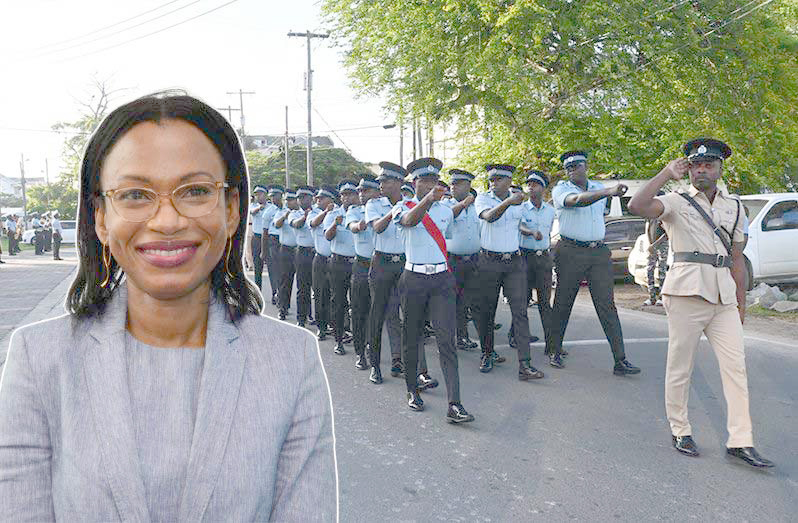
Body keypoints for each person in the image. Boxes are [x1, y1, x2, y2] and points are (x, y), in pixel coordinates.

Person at [0, 92, 337, 520]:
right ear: (101, 217)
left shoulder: (291, 359)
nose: (167, 221)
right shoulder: (39, 359)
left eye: (195, 190)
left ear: (232, 209)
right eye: (135, 194)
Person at [628, 138, 774, 468]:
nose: (701, 170)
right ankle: (680, 429)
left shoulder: (735, 207)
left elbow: (737, 259)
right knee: (681, 366)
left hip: (723, 299)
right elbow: (637, 205)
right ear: (689, 170)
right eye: (695, 165)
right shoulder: (676, 201)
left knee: (736, 369)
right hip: (685, 295)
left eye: (708, 164)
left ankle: (740, 440)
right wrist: (666, 173)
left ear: (720, 169)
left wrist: (741, 304)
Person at [393, 157, 473, 423]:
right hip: (414, 278)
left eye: (434, 181)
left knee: (446, 340)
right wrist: (427, 200)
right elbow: (409, 221)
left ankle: (455, 403)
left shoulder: (446, 211)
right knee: (412, 336)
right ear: (414, 183)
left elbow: (446, 235)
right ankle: (412, 390)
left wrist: (436, 202)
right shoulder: (403, 206)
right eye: (424, 181)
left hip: (441, 279)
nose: (430, 185)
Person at [546, 151, 641, 376]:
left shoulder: (597, 187)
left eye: (576, 166)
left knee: (607, 305)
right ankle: (554, 350)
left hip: (597, 251)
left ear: (585, 166)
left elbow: (600, 211)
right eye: (568, 168)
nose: (571, 170)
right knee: (563, 302)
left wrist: (605, 191)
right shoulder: (562, 189)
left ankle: (620, 360)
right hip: (571, 251)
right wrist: (608, 191)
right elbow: (576, 201)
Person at [474, 164, 544, 380]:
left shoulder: (518, 201)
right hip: (489, 261)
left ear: (508, 180)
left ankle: (525, 364)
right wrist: (508, 202)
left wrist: (529, 231)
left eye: (498, 179)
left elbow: (517, 224)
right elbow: (489, 217)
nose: (493, 182)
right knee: (487, 310)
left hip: (514, 262)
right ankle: (487, 354)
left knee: (520, 312)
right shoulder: (483, 199)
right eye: (491, 179)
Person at [365, 162, 408, 384]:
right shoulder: (374, 204)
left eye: (386, 181)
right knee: (378, 314)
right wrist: (393, 212)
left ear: (399, 183)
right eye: (380, 181)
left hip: (403, 263)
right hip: (381, 263)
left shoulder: (410, 203)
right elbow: (377, 228)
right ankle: (375, 365)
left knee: (400, 314)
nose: (381, 184)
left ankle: (398, 360)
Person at [443, 169, 481, 351]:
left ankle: (462, 336)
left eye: (458, 184)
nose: (453, 187)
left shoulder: (477, 206)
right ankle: (450, 337)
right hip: (453, 261)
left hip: (473, 260)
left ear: (468, 186)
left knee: (467, 301)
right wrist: (465, 203)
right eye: (452, 183)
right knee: (451, 300)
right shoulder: (445, 204)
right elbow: (449, 215)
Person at [519, 170, 555, 350]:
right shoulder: (521, 208)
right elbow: (519, 225)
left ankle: (552, 344)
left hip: (543, 259)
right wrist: (531, 232)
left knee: (544, 303)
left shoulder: (550, 210)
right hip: (525, 258)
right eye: (529, 184)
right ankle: (516, 336)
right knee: (522, 300)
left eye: (535, 184)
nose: (531, 188)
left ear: (543, 188)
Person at [346, 175, 379, 370]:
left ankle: (375, 352)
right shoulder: (354, 211)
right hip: (362, 266)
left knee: (378, 314)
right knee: (359, 311)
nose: (361, 194)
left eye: (365, 191)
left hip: (382, 266)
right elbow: (354, 227)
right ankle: (360, 352)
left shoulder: (386, 208)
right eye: (359, 191)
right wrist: (362, 223)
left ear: (377, 192)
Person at [325, 180, 359, 356]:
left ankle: (360, 340)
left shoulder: (363, 212)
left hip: (358, 263)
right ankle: (339, 339)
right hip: (338, 262)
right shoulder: (334, 213)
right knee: (338, 302)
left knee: (359, 304)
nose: (347, 197)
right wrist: (335, 224)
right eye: (344, 194)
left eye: (350, 194)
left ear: (356, 195)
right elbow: (327, 236)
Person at [309, 186, 337, 341]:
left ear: (331, 200)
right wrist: (326, 212)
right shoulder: (313, 212)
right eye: (318, 198)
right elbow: (313, 223)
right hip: (320, 259)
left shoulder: (339, 212)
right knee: (320, 294)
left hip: (335, 260)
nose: (318, 200)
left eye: (322, 198)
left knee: (336, 296)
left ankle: (338, 326)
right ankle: (322, 327)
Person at [290, 185, 317, 328]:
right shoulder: (294, 213)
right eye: (299, 198)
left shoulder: (319, 212)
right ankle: (301, 318)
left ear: (311, 198)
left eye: (304, 197)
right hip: (303, 253)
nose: (301, 200)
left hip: (317, 254)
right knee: (303, 287)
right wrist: (305, 216)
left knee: (319, 289)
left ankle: (317, 318)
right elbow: (296, 224)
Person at [274, 189, 299, 320]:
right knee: (285, 281)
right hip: (286, 250)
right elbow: (277, 225)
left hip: (299, 250)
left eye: (291, 200)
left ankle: (306, 314)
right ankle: (283, 308)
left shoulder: (303, 213)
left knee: (303, 283)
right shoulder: (281, 212)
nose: (288, 202)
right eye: (287, 200)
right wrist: (285, 216)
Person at [263, 185, 284, 305]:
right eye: (271, 196)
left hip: (285, 242)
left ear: (280, 196)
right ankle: (275, 293)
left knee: (284, 271)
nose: (273, 199)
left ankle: (282, 294)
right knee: (274, 270)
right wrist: (264, 250)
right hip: (274, 241)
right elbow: (265, 232)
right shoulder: (268, 212)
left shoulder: (287, 209)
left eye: (275, 196)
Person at [644, 205, 669, 306]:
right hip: (652, 246)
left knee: (661, 271)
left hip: (662, 245)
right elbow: (648, 230)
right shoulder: (650, 216)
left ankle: (662, 297)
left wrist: (654, 245)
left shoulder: (663, 216)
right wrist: (650, 245)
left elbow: (667, 233)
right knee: (650, 270)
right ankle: (651, 297)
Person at [249, 185, 268, 290]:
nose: (258, 196)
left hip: (269, 238)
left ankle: (275, 292)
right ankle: (258, 288)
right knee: (257, 265)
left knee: (272, 267)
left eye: (260, 194)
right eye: (256, 194)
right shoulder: (253, 206)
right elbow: (252, 212)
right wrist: (259, 207)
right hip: (257, 237)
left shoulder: (270, 207)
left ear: (265, 195)